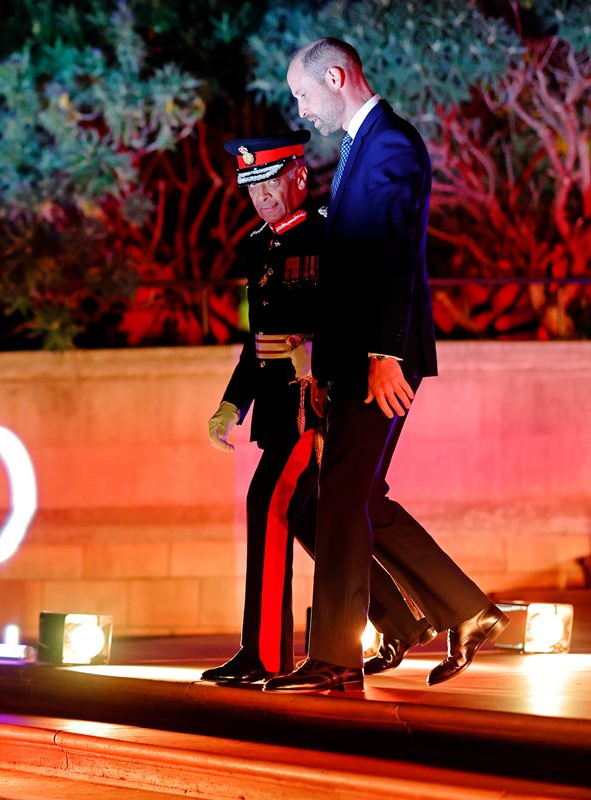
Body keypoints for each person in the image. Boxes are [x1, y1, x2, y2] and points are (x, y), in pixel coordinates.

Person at [265, 38, 507, 694]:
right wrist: (324, 362)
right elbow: (348, 268)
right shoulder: (358, 149)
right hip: (354, 357)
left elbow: (393, 256)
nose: (301, 109)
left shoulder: (390, 145)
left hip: (382, 357)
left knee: (342, 498)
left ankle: (336, 661)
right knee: (350, 497)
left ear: (336, 78)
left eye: (304, 95)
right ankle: (454, 612)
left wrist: (382, 356)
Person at [202, 131, 432, 686]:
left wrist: (311, 352)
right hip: (278, 414)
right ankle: (395, 619)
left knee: (276, 506)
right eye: (251, 187)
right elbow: (256, 344)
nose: (260, 197)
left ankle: (267, 654)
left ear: (298, 178)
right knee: (299, 517)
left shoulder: (329, 235)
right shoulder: (260, 245)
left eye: (269, 183)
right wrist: (231, 405)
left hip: (315, 408)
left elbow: (352, 314)